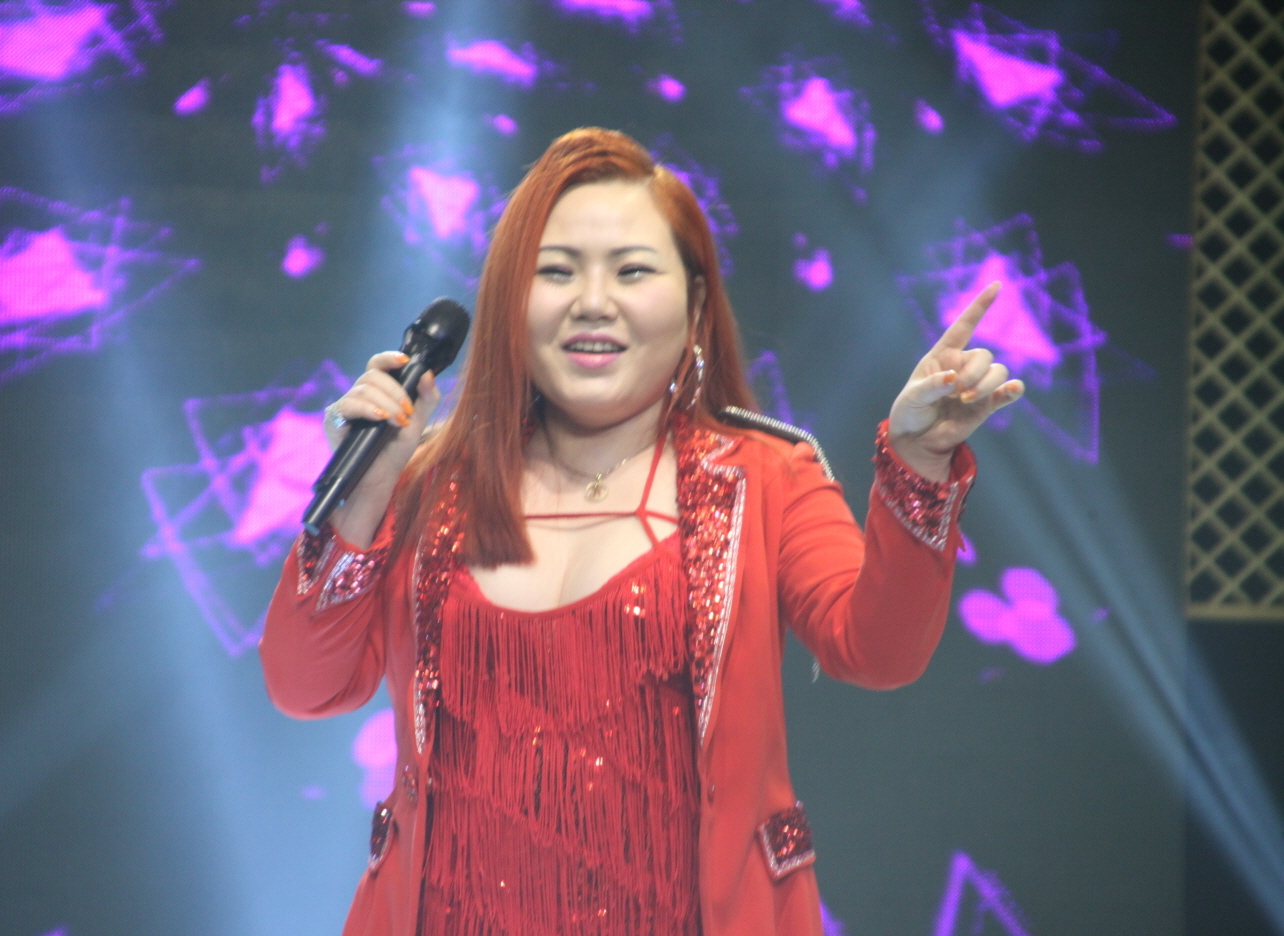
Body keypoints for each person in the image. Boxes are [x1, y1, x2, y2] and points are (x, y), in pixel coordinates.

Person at [260, 127, 1022, 936]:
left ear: (695, 306)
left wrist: (918, 461)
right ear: (511, 303)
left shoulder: (766, 477)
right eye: (557, 272)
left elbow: (878, 651)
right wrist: (368, 487)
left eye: (631, 271)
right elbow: (305, 687)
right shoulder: (429, 485)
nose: (593, 302)